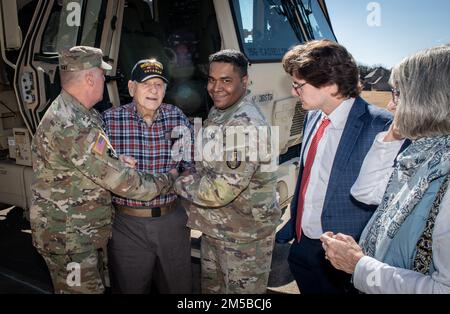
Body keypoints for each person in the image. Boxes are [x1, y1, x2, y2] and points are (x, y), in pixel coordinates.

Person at [30, 46, 177, 294]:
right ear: (89, 78)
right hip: (69, 239)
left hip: (82, 233)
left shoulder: (84, 114)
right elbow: (125, 183)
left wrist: (116, 159)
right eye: (101, 75)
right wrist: (168, 180)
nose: (104, 80)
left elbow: (90, 161)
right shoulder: (71, 123)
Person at [321, 45, 450, 294]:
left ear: (427, 97)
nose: (391, 106)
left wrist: (359, 266)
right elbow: (366, 192)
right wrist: (395, 132)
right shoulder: (424, 155)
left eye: (398, 94)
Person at [275, 40, 395, 294]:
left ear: (329, 84)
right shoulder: (312, 116)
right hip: (303, 245)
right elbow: (308, 178)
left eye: (298, 85)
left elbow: (388, 203)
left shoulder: (381, 127)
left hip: (346, 258)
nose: (294, 92)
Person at [173, 49, 281, 294]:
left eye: (226, 80)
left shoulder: (245, 125)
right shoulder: (220, 111)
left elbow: (219, 191)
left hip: (244, 240)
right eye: (212, 80)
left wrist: (177, 181)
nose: (216, 88)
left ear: (244, 81)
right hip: (219, 230)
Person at [102, 59, 194, 294]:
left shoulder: (176, 117)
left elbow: (190, 163)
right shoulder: (110, 120)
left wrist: (183, 176)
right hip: (127, 226)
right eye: (146, 84)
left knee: (178, 288)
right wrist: (116, 163)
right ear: (132, 88)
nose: (154, 90)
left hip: (171, 221)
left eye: (159, 84)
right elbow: (95, 166)